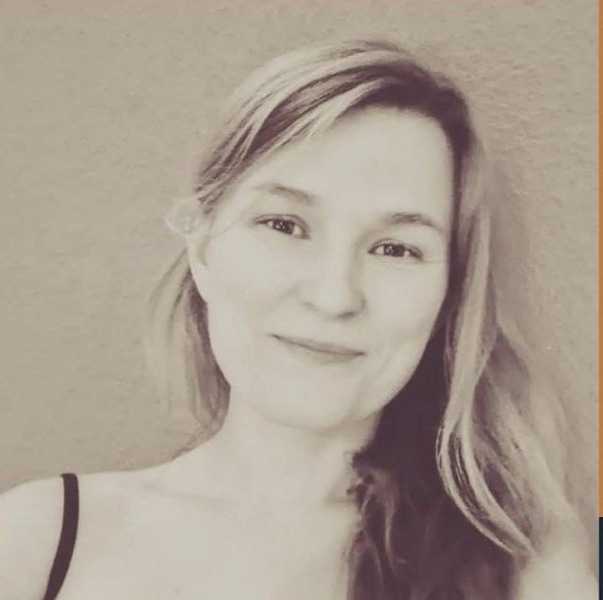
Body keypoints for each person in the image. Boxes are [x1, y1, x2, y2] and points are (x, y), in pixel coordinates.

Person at [0, 39, 595, 600]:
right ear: (202, 249)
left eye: (395, 248)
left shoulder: (521, 566)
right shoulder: (39, 541)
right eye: (284, 225)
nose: (334, 296)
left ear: (449, 296)